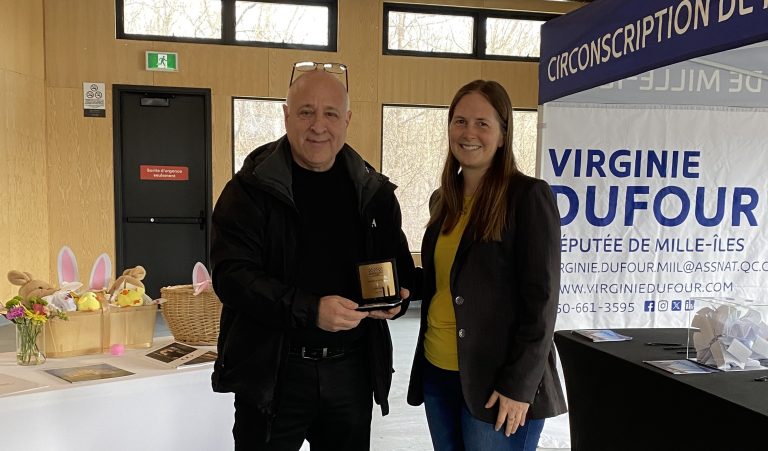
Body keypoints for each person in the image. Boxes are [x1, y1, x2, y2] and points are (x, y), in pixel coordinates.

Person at [210, 63, 415, 451]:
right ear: (287, 116)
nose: (318, 125)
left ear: (348, 119)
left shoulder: (374, 192)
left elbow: (397, 265)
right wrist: (310, 310)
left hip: (351, 372)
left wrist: (397, 301)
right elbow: (231, 276)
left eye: (330, 113)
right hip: (272, 373)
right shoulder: (248, 191)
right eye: (306, 112)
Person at [407, 80, 567, 451]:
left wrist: (518, 386)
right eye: (460, 121)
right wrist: (399, 289)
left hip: (499, 385)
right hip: (439, 371)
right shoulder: (442, 201)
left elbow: (542, 303)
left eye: (482, 123)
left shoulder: (528, 197)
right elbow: (445, 282)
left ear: (502, 133)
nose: (469, 133)